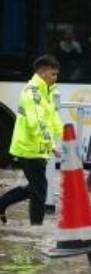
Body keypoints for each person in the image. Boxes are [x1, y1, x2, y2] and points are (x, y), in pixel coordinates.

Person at [0, 54, 63, 226]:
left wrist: (62, 135)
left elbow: (54, 117)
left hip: (37, 148)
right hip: (28, 148)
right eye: (53, 74)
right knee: (40, 191)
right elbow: (38, 123)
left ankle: (2, 204)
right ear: (42, 72)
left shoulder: (49, 91)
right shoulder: (32, 93)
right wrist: (52, 145)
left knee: (35, 188)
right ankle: (36, 229)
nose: (56, 78)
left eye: (56, 74)